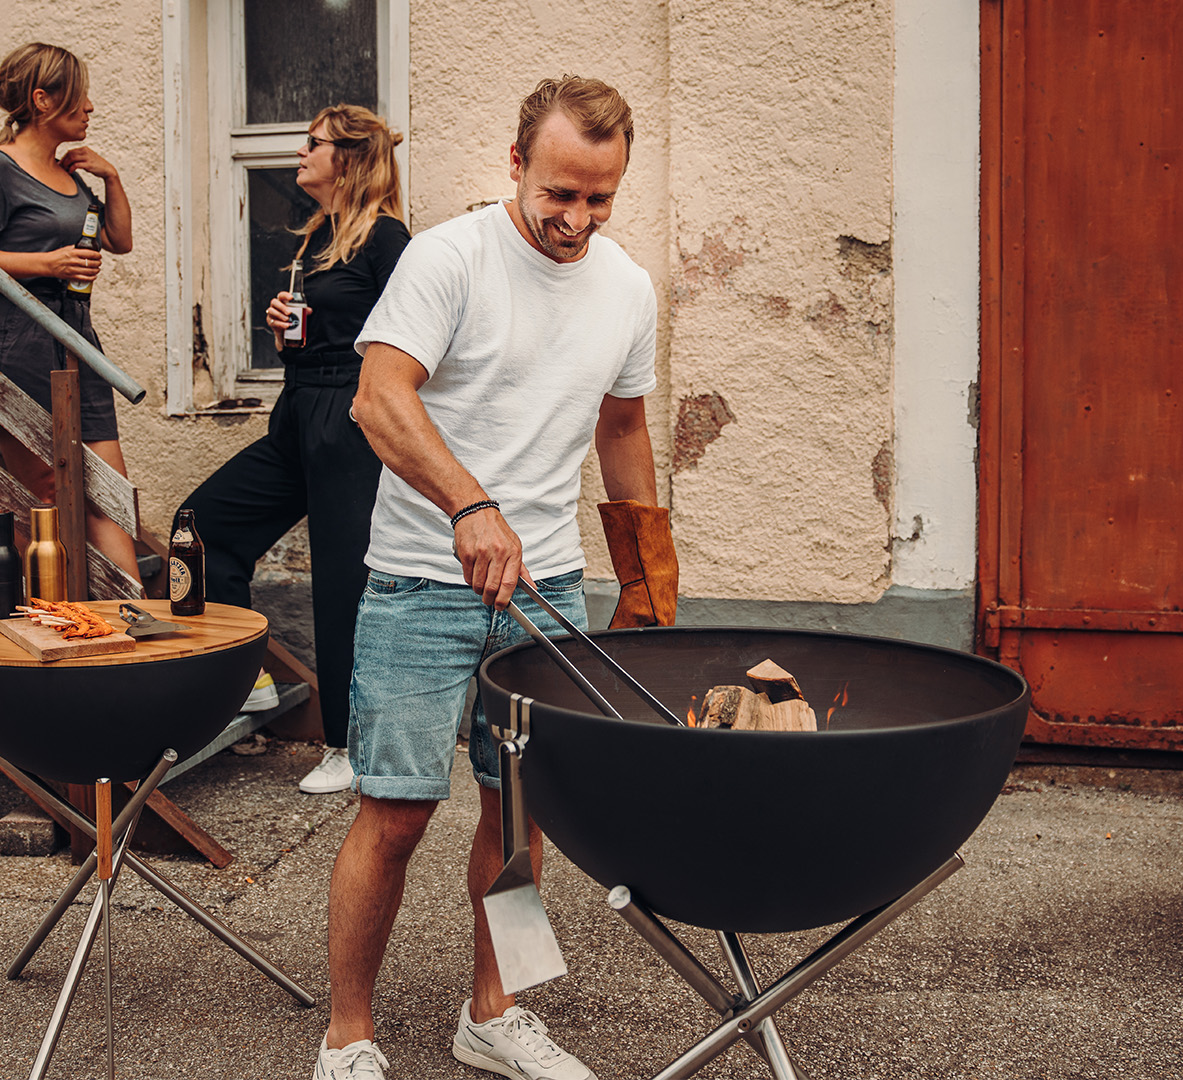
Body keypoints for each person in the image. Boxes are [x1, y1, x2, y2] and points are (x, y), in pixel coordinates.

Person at [313, 76, 667, 1080]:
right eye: (560, 193)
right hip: (420, 584)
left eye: (599, 199)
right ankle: (347, 1035)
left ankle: (494, 1012)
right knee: (395, 812)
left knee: (519, 816)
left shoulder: (628, 288)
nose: (577, 219)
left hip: (545, 587)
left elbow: (625, 426)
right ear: (516, 165)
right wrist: (469, 505)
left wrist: (644, 577)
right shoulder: (449, 259)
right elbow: (380, 403)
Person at [179, 105, 410, 794]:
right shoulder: (318, 236)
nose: (299, 154)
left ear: (348, 159)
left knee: (341, 587)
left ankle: (349, 745)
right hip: (296, 412)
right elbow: (320, 333)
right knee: (204, 526)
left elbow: (413, 340)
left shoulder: (388, 239)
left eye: (313, 144)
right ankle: (241, 678)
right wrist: (286, 334)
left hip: (350, 418)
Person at [0, 42, 141, 584]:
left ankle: (140, 624)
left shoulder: (70, 173)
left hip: (77, 335)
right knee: (49, 495)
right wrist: (45, 263)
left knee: (108, 490)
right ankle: (56, 628)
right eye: (80, 97)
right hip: (20, 337)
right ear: (41, 100)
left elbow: (118, 241)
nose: (90, 108)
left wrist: (113, 179)